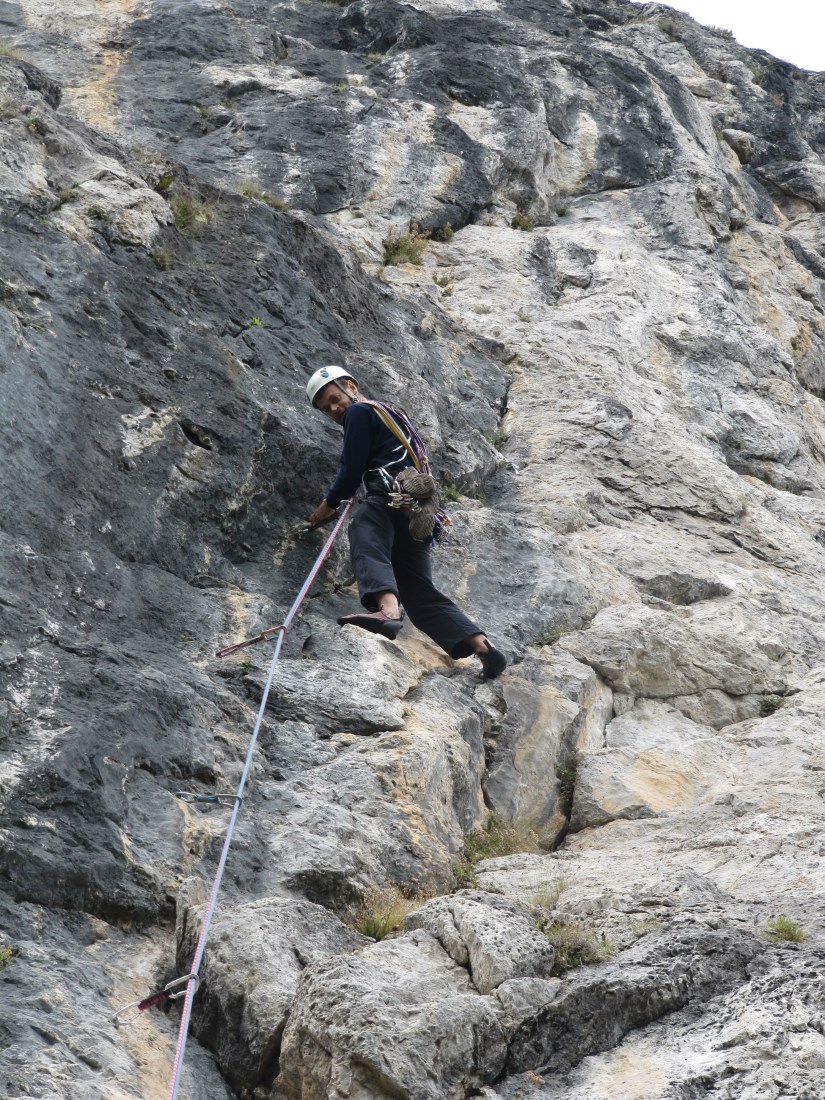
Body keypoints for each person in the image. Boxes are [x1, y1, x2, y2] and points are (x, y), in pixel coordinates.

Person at [305, 365, 507, 680]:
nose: (334, 409)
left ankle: (386, 610)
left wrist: (325, 508)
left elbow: (351, 469)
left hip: (385, 497)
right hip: (414, 511)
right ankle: (483, 647)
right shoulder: (394, 415)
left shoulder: (359, 413)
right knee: (417, 591)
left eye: (334, 398)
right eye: (326, 409)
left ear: (351, 387)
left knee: (364, 529)